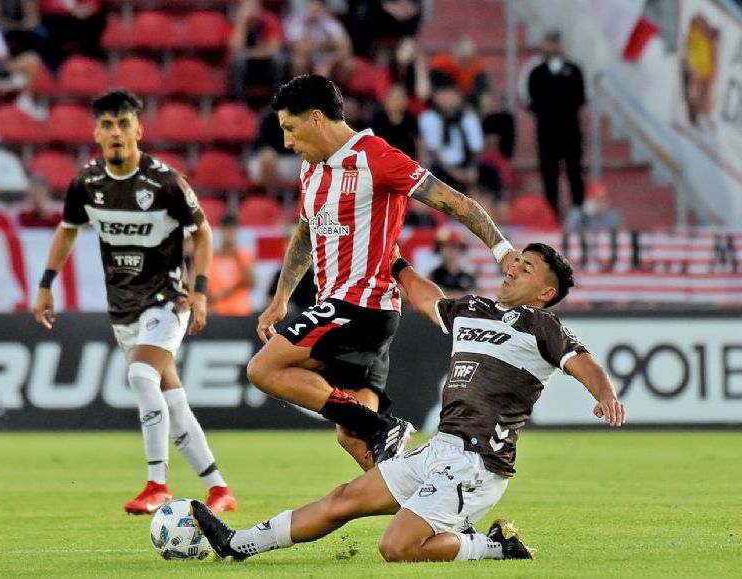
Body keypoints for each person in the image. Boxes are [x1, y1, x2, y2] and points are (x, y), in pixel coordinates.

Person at [190, 242, 625, 563]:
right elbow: (426, 297)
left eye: (526, 269)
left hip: (478, 464)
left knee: (395, 547)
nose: (512, 270)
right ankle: (237, 544)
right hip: (440, 448)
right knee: (343, 500)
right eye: (516, 262)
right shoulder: (474, 308)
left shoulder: (542, 327)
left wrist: (604, 395)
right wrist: (393, 260)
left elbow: (581, 363)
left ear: (545, 293)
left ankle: (494, 547)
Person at [250, 74, 516, 471]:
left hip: (360, 307)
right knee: (359, 444)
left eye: (290, 128)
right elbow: (305, 235)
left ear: (317, 118)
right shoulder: (312, 170)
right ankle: (436, 523)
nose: (287, 142)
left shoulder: (377, 157)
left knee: (264, 369)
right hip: (348, 312)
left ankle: (381, 425)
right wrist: (280, 299)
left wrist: (503, 249)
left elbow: (455, 202)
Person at [31, 89, 237, 515]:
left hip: (168, 298)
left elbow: (203, 233)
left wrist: (199, 290)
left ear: (139, 130)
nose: (116, 132)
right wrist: (46, 283)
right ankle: (219, 489)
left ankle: (156, 483)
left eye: (124, 124)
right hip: (122, 306)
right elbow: (67, 229)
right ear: (96, 133)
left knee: (142, 377)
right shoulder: (87, 183)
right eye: (107, 125)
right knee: (172, 398)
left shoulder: (165, 183)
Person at [527, 30, 587, 219]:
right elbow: (530, 99)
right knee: (549, 171)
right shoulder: (536, 72)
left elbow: (581, 97)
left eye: (556, 42)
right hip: (546, 131)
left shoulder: (574, 69)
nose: (552, 47)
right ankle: (551, 211)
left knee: (574, 170)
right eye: (549, 42)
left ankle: (578, 208)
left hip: (570, 130)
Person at [228, 0, 285, 101]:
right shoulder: (237, 23)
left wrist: (249, 53)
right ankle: (240, 102)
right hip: (246, 70)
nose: (251, 10)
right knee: (238, 59)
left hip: (266, 67)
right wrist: (243, 24)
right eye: (247, 6)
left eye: (253, 6)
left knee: (279, 59)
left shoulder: (269, 19)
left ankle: (276, 100)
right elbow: (235, 49)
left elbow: (274, 48)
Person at [208, 213, 255, 316]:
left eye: (232, 230)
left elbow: (251, 282)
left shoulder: (244, 256)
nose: (229, 234)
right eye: (226, 230)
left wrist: (236, 256)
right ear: (221, 230)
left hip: (240, 311)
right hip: (217, 312)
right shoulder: (211, 258)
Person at [430, 229, 476, 298]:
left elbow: (477, 297)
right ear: (439, 249)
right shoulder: (434, 276)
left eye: (454, 246)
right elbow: (437, 298)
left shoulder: (468, 276)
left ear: (461, 249)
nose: (450, 250)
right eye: (446, 246)